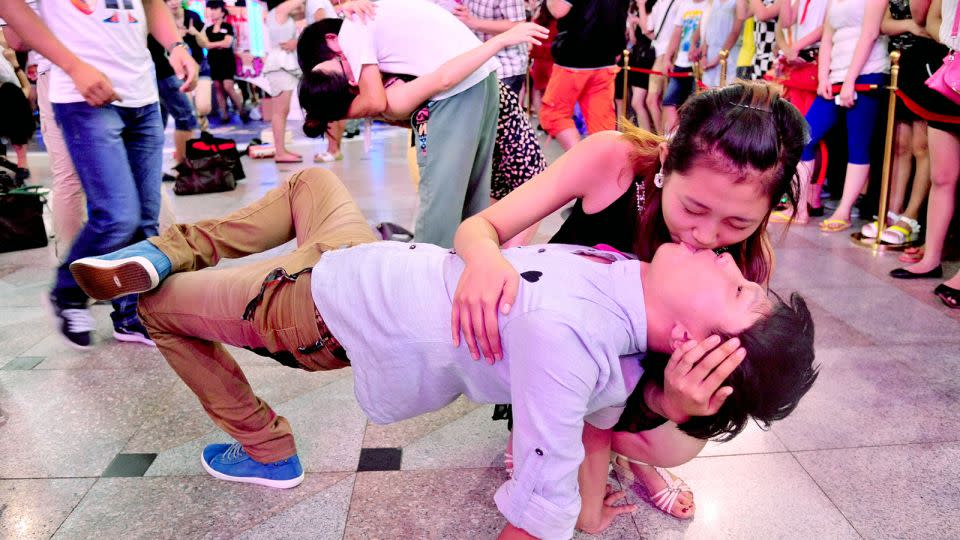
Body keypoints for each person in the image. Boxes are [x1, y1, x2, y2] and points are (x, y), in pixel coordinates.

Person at [68, 167, 818, 540]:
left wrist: (678, 409)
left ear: (694, 344)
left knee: (158, 310)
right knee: (312, 180)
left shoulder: (574, 340)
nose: (726, 257)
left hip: (320, 307)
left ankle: (265, 447)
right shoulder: (625, 294)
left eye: (741, 291)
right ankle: (164, 250)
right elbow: (603, 420)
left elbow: (545, 504)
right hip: (364, 261)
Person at [451, 81, 807, 519]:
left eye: (738, 221)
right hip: (554, 350)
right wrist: (486, 258)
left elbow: (693, 382)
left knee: (679, 440)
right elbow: (481, 227)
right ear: (664, 164)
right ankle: (540, 432)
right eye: (693, 208)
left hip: (626, 384)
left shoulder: (744, 269)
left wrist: (675, 402)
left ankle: (629, 458)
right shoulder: (611, 161)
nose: (707, 237)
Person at [0, 0, 199, 349]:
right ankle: (68, 292)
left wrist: (176, 46)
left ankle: (132, 317)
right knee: (117, 215)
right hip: (82, 95)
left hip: (141, 94)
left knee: (144, 221)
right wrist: (73, 66)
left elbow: (151, 3)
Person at [297, 0, 503, 248]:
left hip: (460, 87)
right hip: (484, 78)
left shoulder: (352, 31)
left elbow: (376, 100)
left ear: (332, 39)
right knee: (473, 198)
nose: (353, 76)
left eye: (339, 62)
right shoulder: (376, 30)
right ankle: (473, 263)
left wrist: (334, 111)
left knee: (440, 203)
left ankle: (424, 277)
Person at [786, 0, 890, 229]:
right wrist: (824, 76)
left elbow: (871, 33)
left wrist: (851, 79)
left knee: (858, 144)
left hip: (867, 73)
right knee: (804, 135)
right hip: (835, 76)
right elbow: (827, 38)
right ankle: (798, 208)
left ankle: (843, 212)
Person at [889, 0, 960, 309]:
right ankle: (931, 256)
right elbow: (928, 16)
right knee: (942, 176)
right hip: (951, 70)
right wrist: (950, 41)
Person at [860, 0, 934, 245]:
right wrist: (910, 26)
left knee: (921, 146)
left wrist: (911, 24)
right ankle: (891, 210)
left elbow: (923, 17)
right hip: (899, 64)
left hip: (928, 60)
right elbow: (884, 24)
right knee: (899, 144)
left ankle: (911, 217)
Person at [539, 0, 630, 150]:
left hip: (575, 57)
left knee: (554, 115)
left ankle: (580, 161)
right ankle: (603, 166)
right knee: (601, 122)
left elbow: (558, 9)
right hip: (605, 59)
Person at [454, 0, 530, 94]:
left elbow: (518, 25)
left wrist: (473, 22)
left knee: (497, 107)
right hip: (477, 61)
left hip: (504, 65)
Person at [263, 0, 306, 163]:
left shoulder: (281, 14)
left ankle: (281, 150)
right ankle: (280, 152)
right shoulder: (279, 11)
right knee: (280, 111)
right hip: (280, 65)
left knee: (282, 110)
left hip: (283, 65)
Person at [190, 0, 246, 122]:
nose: (213, 12)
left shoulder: (228, 26)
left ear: (222, 11)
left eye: (216, 9)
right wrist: (216, 44)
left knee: (228, 85)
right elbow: (205, 44)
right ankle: (224, 114)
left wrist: (212, 44)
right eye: (211, 9)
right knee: (218, 87)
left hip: (227, 60)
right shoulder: (208, 29)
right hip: (214, 60)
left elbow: (227, 43)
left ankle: (241, 110)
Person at [661, 0, 707, 132]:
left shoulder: (710, 4)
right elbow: (677, 33)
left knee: (695, 105)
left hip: (700, 64)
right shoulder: (684, 4)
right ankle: (673, 139)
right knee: (669, 102)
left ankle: (690, 141)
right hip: (681, 61)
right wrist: (667, 58)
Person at [646, 0, 683, 133]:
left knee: (663, 102)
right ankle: (663, 137)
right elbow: (647, 30)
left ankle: (665, 138)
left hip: (670, 56)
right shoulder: (658, 4)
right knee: (658, 101)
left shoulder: (679, 3)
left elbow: (679, 31)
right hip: (662, 54)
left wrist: (670, 56)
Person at [700, 0, 747, 88]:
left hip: (729, 55)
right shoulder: (712, 2)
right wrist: (704, 55)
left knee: (724, 93)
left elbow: (735, 31)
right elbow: (708, 26)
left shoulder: (740, 2)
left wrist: (719, 57)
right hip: (710, 56)